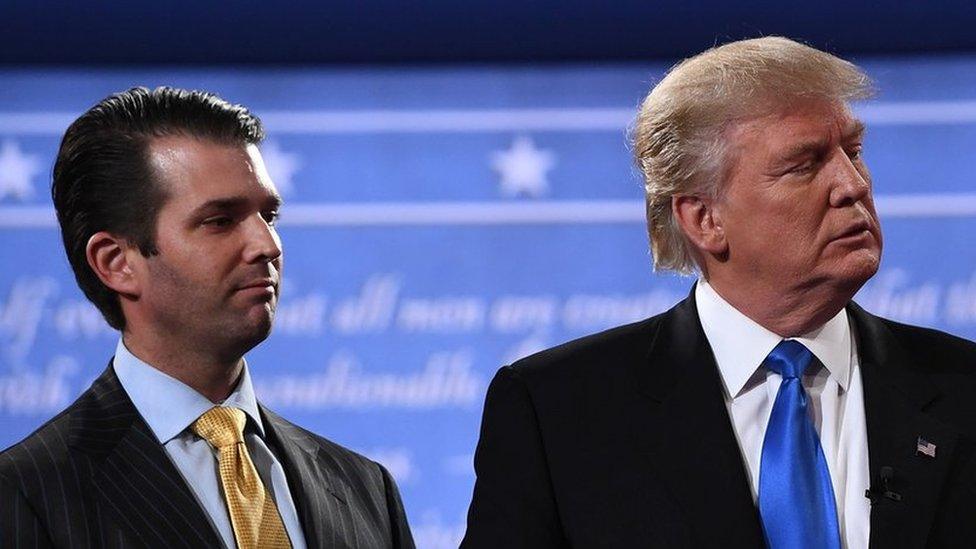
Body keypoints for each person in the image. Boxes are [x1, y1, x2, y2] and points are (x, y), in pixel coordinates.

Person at [462, 37, 976, 548]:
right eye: (804, 164)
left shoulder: (963, 389)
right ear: (705, 219)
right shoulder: (558, 412)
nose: (853, 184)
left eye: (854, 151)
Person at [0, 87, 415, 549]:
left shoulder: (366, 488)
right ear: (117, 262)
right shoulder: (24, 495)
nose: (267, 245)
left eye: (269, 215)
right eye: (220, 221)